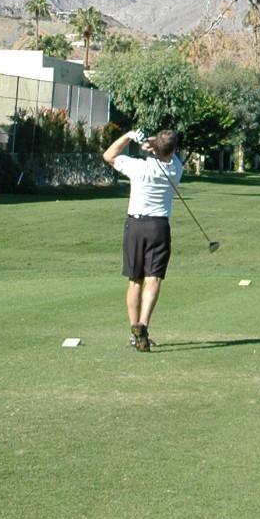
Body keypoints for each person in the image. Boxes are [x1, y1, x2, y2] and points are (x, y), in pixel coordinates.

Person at [102, 126, 183, 352]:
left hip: (136, 225)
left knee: (135, 280)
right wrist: (155, 145)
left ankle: (134, 334)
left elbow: (108, 155)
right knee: (153, 279)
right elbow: (168, 152)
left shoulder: (138, 167)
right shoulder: (176, 168)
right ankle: (143, 325)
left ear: (155, 147)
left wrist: (130, 135)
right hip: (159, 227)